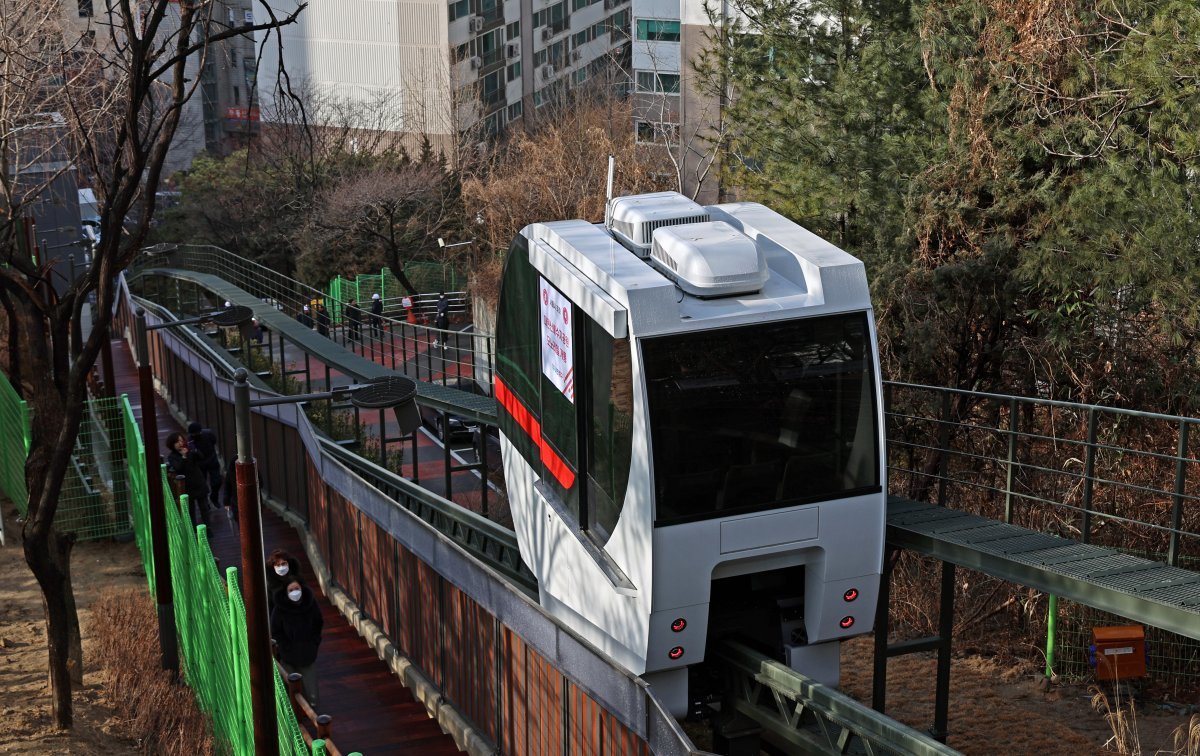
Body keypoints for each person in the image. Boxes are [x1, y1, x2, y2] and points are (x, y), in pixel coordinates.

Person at [271, 578, 324, 710]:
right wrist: (285, 647)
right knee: (291, 691)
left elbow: (318, 623)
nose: (294, 592)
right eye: (291, 590)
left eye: (297, 589)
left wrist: (314, 642)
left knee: (312, 693)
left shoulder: (310, 604)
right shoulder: (280, 610)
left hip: (308, 654)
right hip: (289, 657)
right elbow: (276, 630)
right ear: (286, 593)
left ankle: (313, 715)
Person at [165, 431, 209, 526]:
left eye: (181, 441)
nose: (180, 443)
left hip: (198, 482)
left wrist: (194, 450)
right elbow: (178, 468)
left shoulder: (189, 450)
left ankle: (208, 527)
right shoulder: (172, 457)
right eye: (177, 442)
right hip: (187, 486)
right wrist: (184, 457)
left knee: (204, 508)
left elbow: (201, 457)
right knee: (190, 510)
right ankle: (193, 530)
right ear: (172, 444)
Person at [187, 421, 222, 509]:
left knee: (217, 481)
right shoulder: (190, 441)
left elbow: (213, 441)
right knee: (203, 484)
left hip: (212, 460)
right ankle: (206, 502)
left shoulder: (208, 434)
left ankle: (214, 498)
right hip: (200, 464)